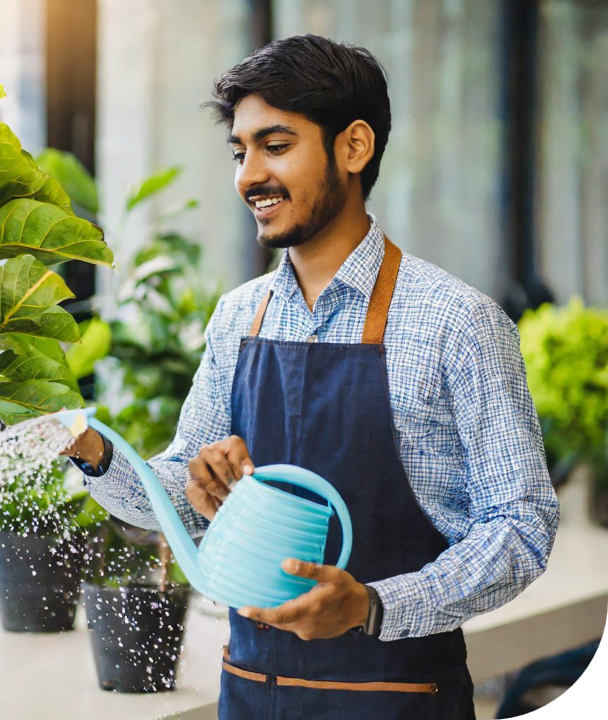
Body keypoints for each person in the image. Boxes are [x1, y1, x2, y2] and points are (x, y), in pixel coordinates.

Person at [62, 34, 560, 720]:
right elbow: (173, 501)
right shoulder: (239, 317)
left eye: (275, 144)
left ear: (354, 148)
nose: (247, 175)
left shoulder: (458, 322)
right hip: (251, 695)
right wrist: (95, 453)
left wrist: (373, 605)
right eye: (240, 152)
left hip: (399, 699)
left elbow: (521, 525)